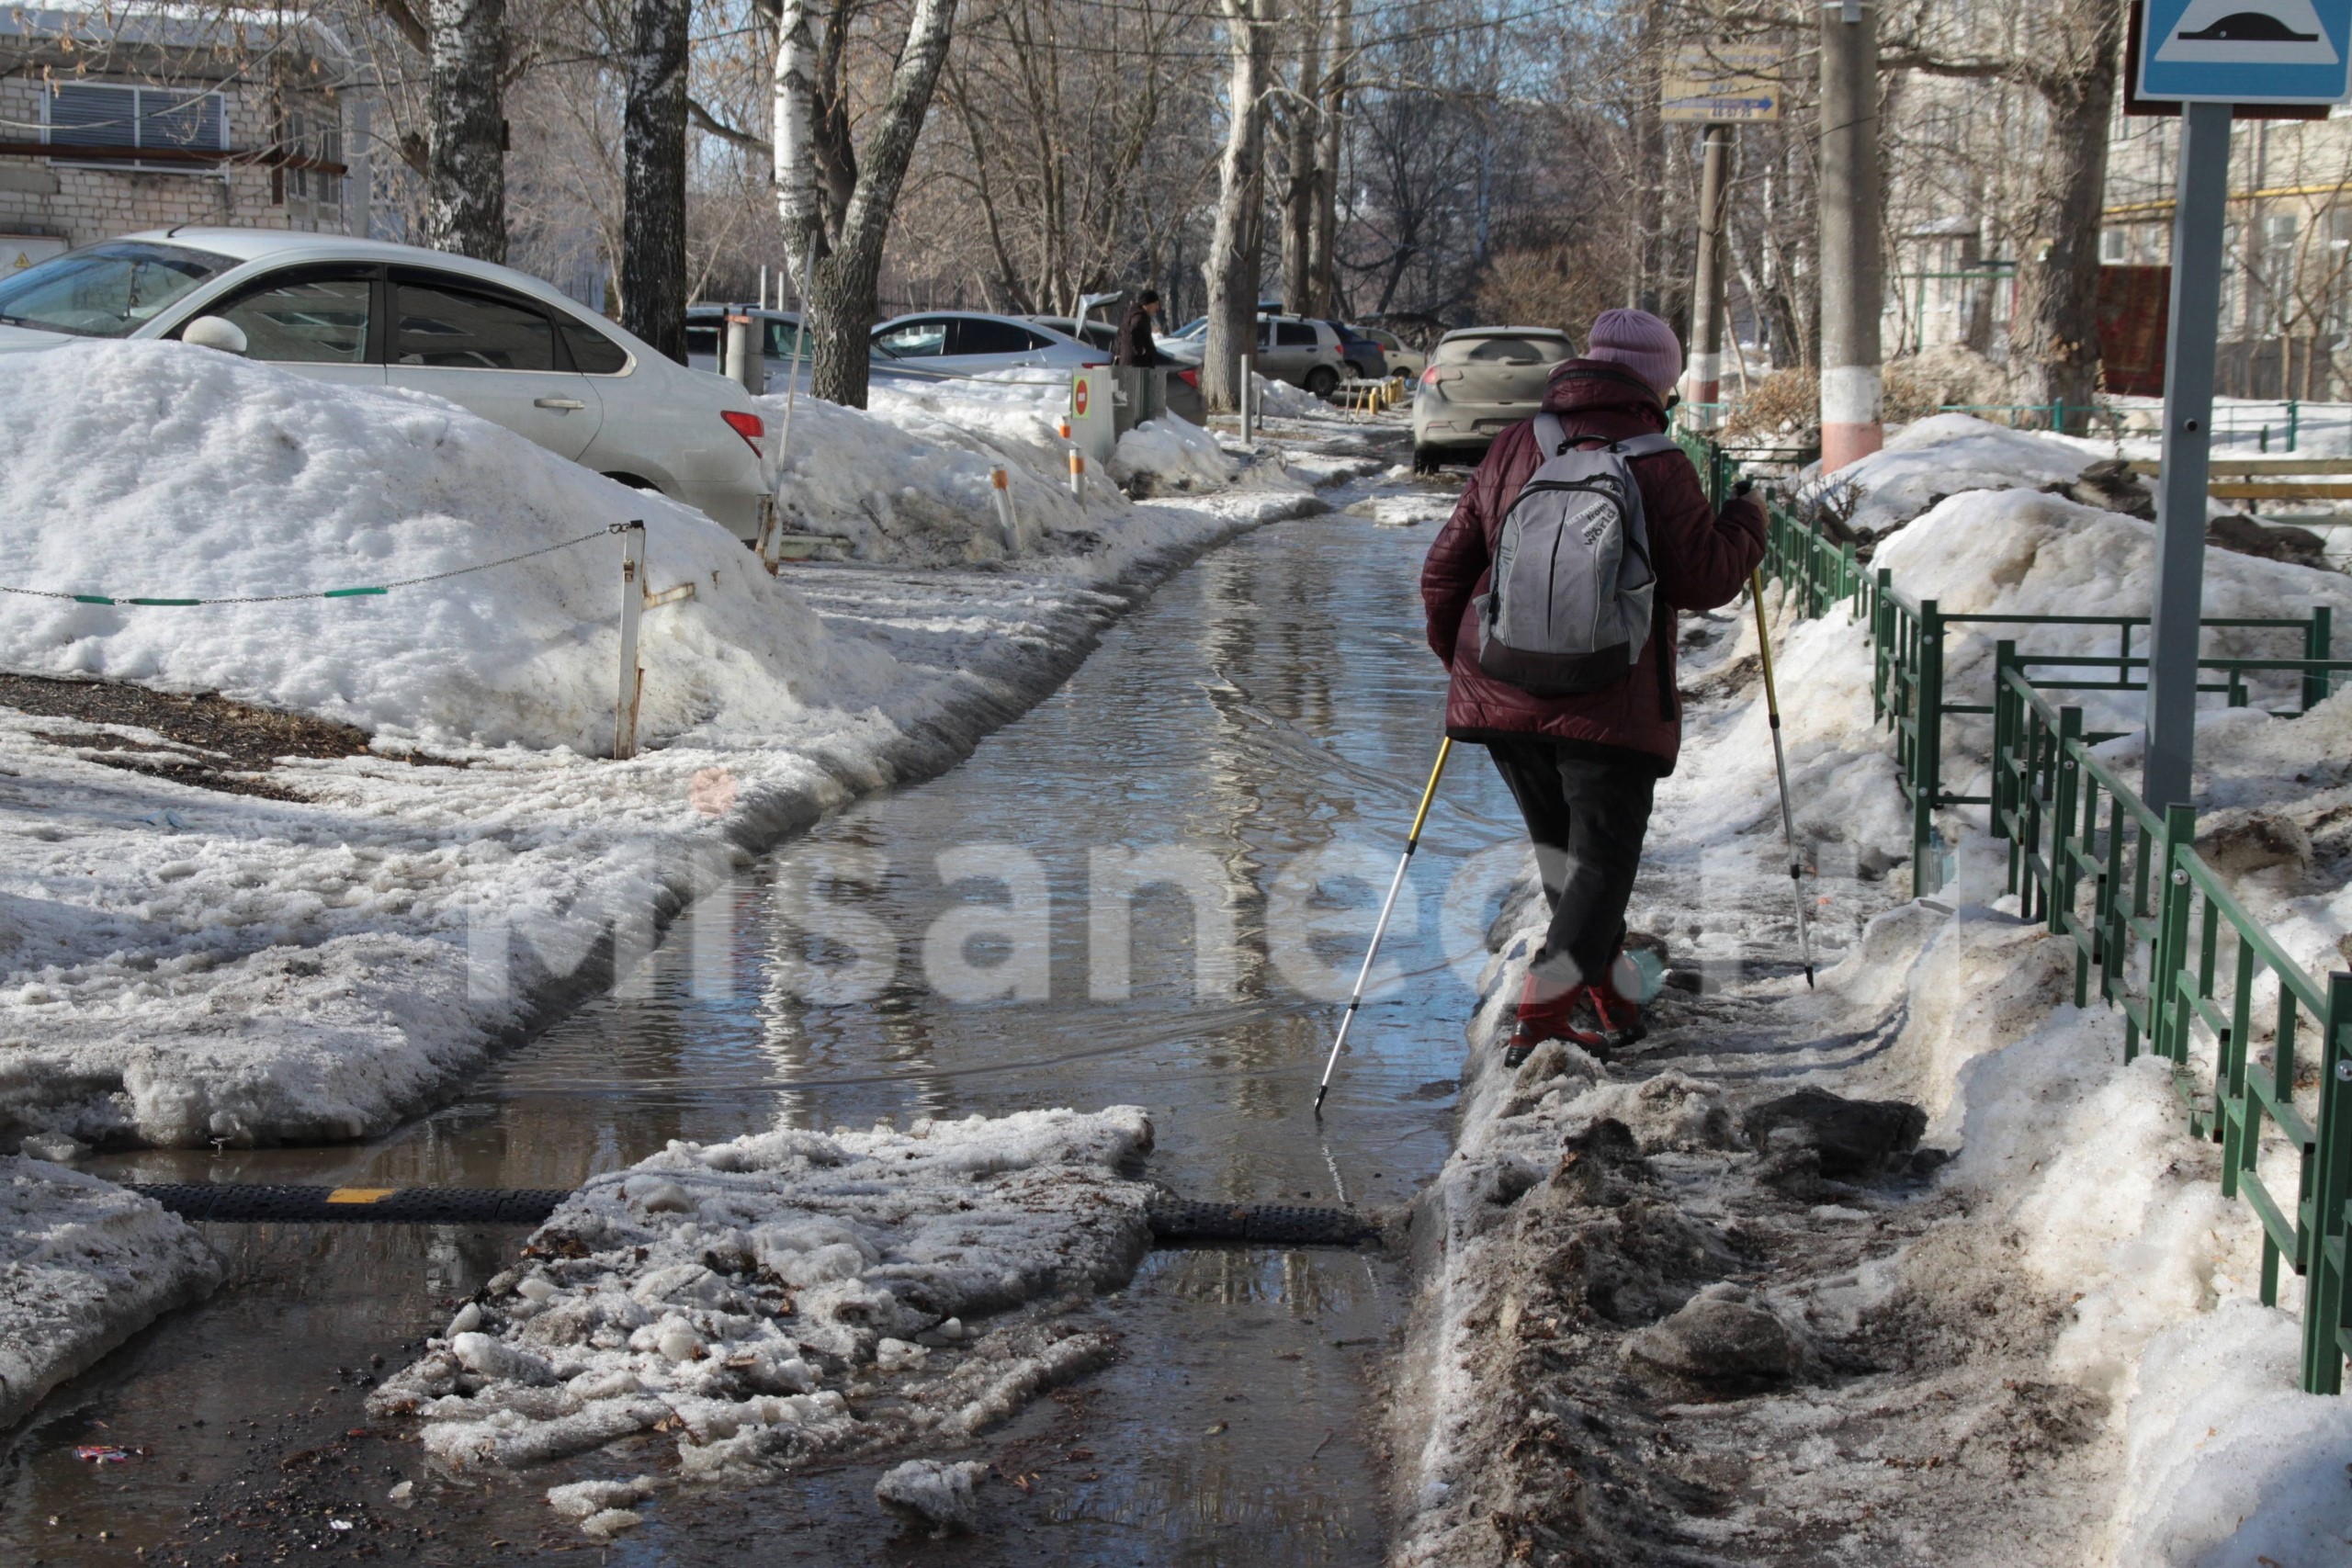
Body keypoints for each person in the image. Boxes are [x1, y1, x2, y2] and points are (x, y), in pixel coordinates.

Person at [1419, 308, 1766, 1065]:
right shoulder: (1656, 459)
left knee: (1565, 864)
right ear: (1657, 383)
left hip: (1503, 691)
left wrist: (1467, 669)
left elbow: (1445, 567)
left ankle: (1608, 992)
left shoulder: (1517, 442)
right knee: (1600, 865)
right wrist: (1748, 521)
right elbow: (1705, 576)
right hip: (1608, 698)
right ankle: (1542, 1016)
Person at [1114, 289, 1164, 368]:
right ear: (1146, 304)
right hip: (1136, 367)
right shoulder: (1140, 317)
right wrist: (1141, 351)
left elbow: (1119, 335)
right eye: (1155, 304)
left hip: (1129, 364)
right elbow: (1135, 331)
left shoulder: (1131, 314)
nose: (1157, 308)